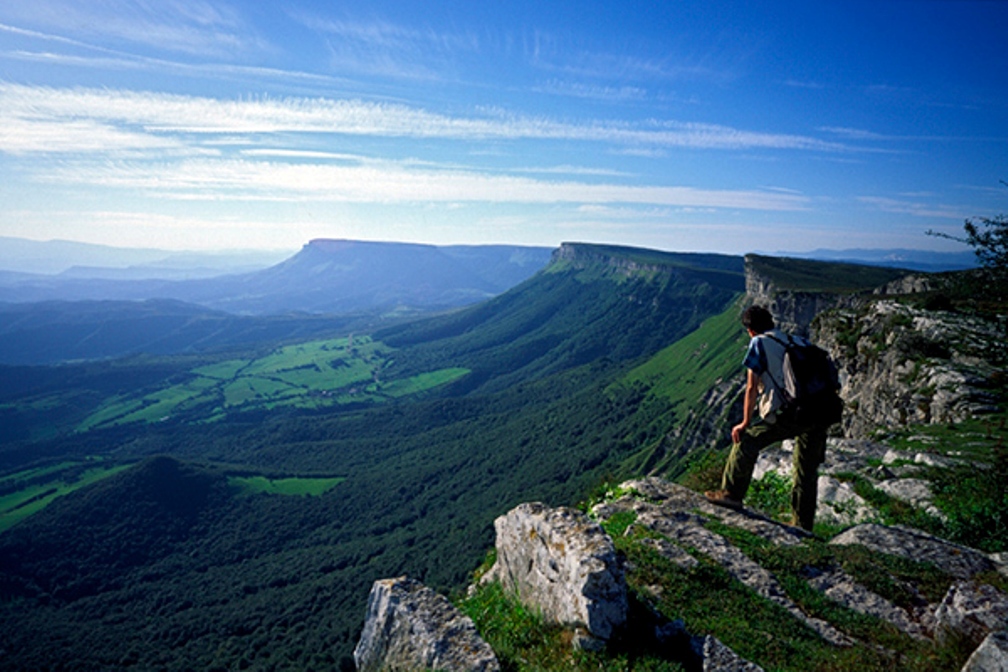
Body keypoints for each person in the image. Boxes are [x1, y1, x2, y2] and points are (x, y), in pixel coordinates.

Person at [704, 305, 829, 531]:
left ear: (750, 330)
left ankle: (730, 493)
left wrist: (744, 423)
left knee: (747, 441)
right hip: (820, 412)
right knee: (806, 471)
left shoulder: (759, 343)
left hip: (793, 412)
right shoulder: (799, 341)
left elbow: (752, 386)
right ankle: (803, 525)